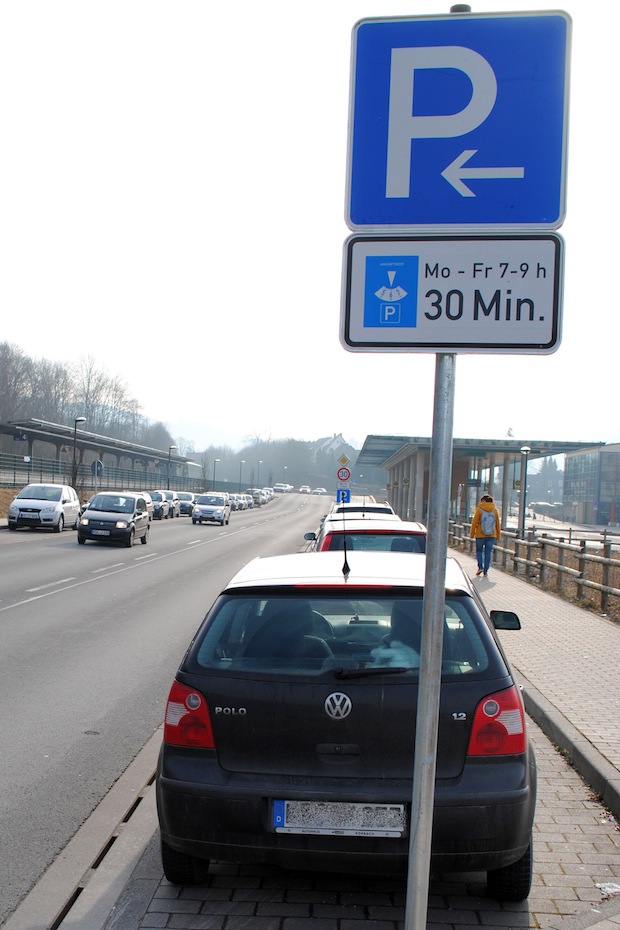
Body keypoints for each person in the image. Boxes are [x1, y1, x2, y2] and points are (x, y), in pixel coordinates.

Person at [469, 494, 500, 577]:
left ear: (483, 501)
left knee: (479, 551)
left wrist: (472, 533)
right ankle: (486, 570)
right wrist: (498, 535)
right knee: (488, 553)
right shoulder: (495, 510)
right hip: (491, 535)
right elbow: (497, 524)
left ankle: (480, 567)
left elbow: (474, 522)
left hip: (480, 535)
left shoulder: (479, 510)